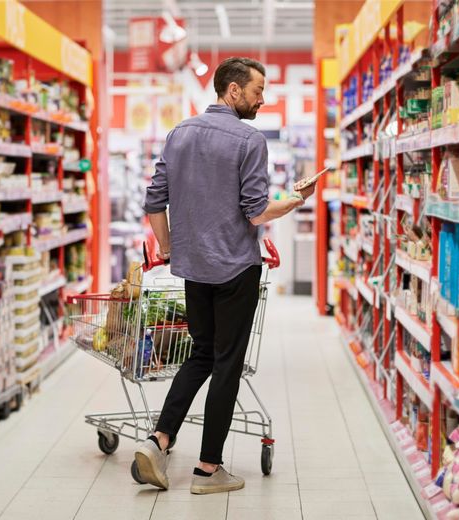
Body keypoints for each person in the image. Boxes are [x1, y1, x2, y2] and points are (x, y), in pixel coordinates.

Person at [135, 56, 316, 495]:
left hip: (194, 269)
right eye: (257, 91)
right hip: (235, 269)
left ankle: (160, 438)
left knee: (200, 353)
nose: (262, 99)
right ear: (233, 91)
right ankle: (208, 469)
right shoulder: (249, 140)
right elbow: (255, 212)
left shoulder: (179, 133)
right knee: (227, 364)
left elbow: (154, 200)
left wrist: (169, 247)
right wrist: (293, 200)